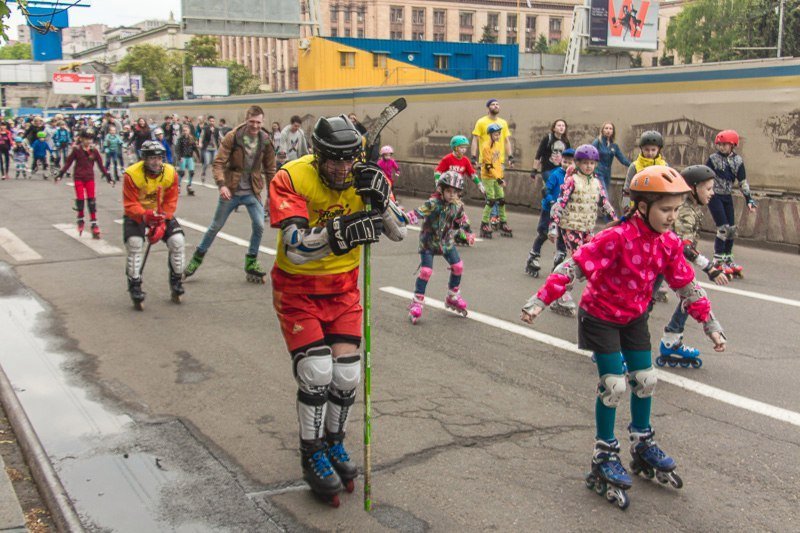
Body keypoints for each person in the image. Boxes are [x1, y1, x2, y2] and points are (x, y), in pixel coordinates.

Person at [521, 165, 727, 510]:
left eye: (677, 210)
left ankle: (643, 443)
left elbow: (686, 285)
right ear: (642, 207)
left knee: (646, 380)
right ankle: (604, 453)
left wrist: (711, 324)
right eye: (666, 210)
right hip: (599, 315)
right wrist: (541, 300)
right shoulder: (616, 236)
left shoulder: (668, 242)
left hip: (633, 316)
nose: (672, 217)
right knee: (614, 385)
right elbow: (573, 266)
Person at [268, 113, 406, 506]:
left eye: (350, 160)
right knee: (316, 371)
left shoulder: (363, 176)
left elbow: (399, 232)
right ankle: (310, 451)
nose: (343, 170)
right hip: (298, 288)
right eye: (334, 162)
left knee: (346, 375)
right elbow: (294, 244)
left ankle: (334, 443)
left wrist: (381, 203)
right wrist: (338, 233)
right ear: (318, 156)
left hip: (344, 289)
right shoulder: (292, 178)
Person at [183, 105, 276, 283]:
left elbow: (270, 169)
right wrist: (222, 185)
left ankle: (251, 261)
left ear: (262, 122)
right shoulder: (233, 137)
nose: (255, 126)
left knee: (259, 225)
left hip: (252, 190)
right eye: (252, 122)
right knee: (215, 227)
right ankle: (196, 259)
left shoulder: (265, 140)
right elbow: (218, 163)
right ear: (246, 120)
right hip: (231, 190)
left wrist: (272, 194)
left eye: (258, 122)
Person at [658, 165, 729, 368]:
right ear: (693, 188)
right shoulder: (685, 212)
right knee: (642, 304)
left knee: (689, 298)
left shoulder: (689, 207)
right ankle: (614, 346)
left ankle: (672, 339)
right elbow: (684, 246)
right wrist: (709, 267)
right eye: (708, 189)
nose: (712, 193)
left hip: (670, 262)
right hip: (658, 262)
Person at [547, 144, 616, 317]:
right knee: (577, 260)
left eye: (592, 163)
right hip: (570, 225)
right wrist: (554, 225)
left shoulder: (596, 182)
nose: (588, 166)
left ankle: (598, 295)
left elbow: (604, 202)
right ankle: (561, 294)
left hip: (587, 227)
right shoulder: (571, 180)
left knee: (594, 259)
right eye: (585, 163)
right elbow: (561, 202)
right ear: (578, 163)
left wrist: (616, 219)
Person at [121, 140, 185, 310]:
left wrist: (163, 220)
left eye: (159, 158)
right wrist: (145, 216)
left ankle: (176, 280)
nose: (156, 162)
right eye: (152, 158)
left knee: (177, 241)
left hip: (161, 213)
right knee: (134, 245)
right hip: (138, 214)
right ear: (144, 159)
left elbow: (171, 199)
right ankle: (135, 284)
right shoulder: (132, 174)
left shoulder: (171, 173)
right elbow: (129, 203)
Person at [405, 171, 470, 324]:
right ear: (441, 189)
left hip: (446, 241)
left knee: (458, 267)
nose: (451, 195)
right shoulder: (433, 203)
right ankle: (417, 301)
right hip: (428, 241)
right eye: (448, 191)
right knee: (426, 271)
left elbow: (460, 221)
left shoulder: (457, 206)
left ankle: (452, 296)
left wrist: (466, 232)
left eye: (455, 192)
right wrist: (406, 218)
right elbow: (418, 212)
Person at [622, 130, 670, 304]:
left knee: (659, 245)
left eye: (653, 149)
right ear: (641, 149)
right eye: (647, 149)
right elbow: (627, 188)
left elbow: (669, 188)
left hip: (658, 210)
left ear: (659, 150)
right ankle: (634, 276)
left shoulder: (664, 166)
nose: (650, 153)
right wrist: (627, 208)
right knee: (639, 245)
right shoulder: (635, 166)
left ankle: (658, 281)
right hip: (640, 209)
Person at [705, 129, 757, 278]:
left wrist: (749, 200)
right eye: (719, 145)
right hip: (714, 196)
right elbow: (705, 174)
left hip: (727, 196)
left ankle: (728, 258)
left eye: (725, 145)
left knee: (732, 230)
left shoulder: (738, 161)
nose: (722, 147)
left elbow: (742, 182)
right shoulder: (713, 159)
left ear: (733, 145)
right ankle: (717, 260)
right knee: (723, 228)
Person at [525, 147, 574, 277]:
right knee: (544, 233)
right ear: (560, 161)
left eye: (570, 162)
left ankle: (559, 257)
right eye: (565, 161)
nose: (566, 164)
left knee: (563, 236)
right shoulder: (556, 174)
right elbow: (545, 190)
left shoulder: (574, 178)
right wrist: (552, 202)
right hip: (549, 210)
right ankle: (533, 256)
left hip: (564, 212)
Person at [56, 129, 111, 238]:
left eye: (90, 139)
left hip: (89, 177)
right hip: (78, 177)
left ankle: (94, 222)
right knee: (80, 199)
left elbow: (100, 164)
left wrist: (108, 176)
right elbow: (68, 162)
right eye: (86, 139)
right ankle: (80, 218)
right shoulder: (77, 150)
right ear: (81, 139)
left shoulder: (94, 151)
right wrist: (60, 174)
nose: (88, 141)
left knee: (91, 200)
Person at [434, 135, 484, 246]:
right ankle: (441, 233)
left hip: (457, 193)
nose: (464, 150)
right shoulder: (447, 159)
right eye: (461, 147)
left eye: (465, 147)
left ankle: (460, 233)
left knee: (460, 215)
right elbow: (437, 172)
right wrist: (438, 183)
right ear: (455, 147)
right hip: (446, 192)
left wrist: (479, 184)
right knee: (446, 214)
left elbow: (472, 174)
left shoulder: (465, 160)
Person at [479, 122, 513, 238]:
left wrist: (501, 176)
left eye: (499, 134)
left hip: (497, 176)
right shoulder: (485, 147)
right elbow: (489, 166)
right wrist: (498, 179)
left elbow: (498, 163)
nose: (498, 137)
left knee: (501, 200)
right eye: (495, 135)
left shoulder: (498, 145)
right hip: (488, 177)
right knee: (491, 201)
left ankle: (503, 223)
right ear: (490, 135)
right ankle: (484, 224)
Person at [592, 122, 631, 195]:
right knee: (604, 194)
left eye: (610, 128)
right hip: (598, 172)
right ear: (602, 130)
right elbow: (590, 155)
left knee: (602, 195)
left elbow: (623, 160)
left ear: (613, 131)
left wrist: (634, 165)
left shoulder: (614, 146)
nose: (608, 130)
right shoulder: (597, 142)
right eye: (606, 128)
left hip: (607, 173)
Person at [533, 118, 570, 183]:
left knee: (560, 188)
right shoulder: (548, 139)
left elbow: (569, 156)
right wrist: (534, 169)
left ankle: (546, 190)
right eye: (559, 125)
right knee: (553, 184)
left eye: (563, 126)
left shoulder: (565, 141)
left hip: (560, 169)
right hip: (548, 169)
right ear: (554, 128)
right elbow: (539, 154)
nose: (561, 127)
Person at [175, 124, 201, 196]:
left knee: (192, 172)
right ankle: (178, 186)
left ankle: (189, 186)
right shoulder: (180, 139)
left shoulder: (192, 139)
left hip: (189, 157)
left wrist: (198, 157)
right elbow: (177, 149)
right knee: (181, 172)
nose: (185, 132)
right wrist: (179, 157)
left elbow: (195, 148)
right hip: (183, 157)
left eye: (186, 130)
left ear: (189, 131)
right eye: (184, 131)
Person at [200, 115, 221, 182]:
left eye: (213, 121)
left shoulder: (217, 129)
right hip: (207, 148)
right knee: (207, 162)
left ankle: (215, 175)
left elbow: (220, 137)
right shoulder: (205, 129)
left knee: (215, 163)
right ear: (208, 121)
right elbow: (201, 136)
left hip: (214, 148)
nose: (212, 122)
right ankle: (203, 173)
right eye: (211, 121)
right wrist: (200, 143)